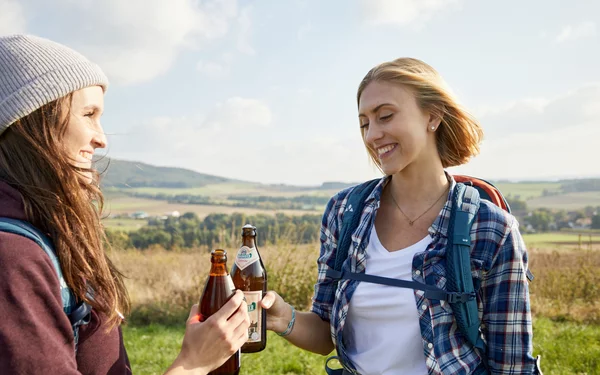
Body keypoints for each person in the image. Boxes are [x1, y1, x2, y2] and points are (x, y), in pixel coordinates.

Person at [261, 58, 540, 374]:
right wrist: (285, 318)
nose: (372, 135)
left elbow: (513, 365)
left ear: (433, 116)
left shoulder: (492, 229)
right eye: (365, 123)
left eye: (385, 116)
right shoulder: (344, 211)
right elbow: (326, 332)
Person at [0, 34, 250, 374]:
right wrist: (192, 365)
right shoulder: (13, 260)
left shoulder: (46, 234)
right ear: (32, 121)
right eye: (88, 113)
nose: (101, 138)